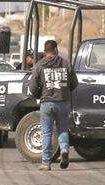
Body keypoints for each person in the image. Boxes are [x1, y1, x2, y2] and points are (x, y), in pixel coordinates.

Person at [29, 40, 78, 171]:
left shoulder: (39, 65)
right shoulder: (66, 63)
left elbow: (32, 87)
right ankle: (64, 151)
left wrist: (39, 95)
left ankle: (46, 163)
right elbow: (75, 82)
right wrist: (65, 91)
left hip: (47, 103)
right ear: (56, 50)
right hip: (63, 102)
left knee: (46, 133)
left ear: (45, 51)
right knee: (63, 129)